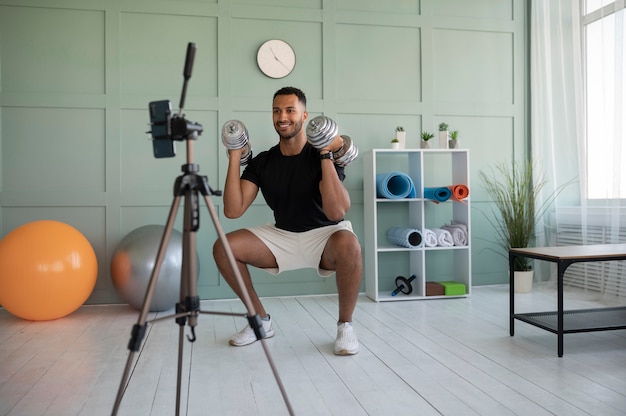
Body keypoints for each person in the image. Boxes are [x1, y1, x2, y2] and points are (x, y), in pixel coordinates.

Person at [212, 86, 363, 355]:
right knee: (224, 247)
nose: (283, 117)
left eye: (290, 110)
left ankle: (345, 326)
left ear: (304, 116)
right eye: (277, 111)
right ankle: (259, 320)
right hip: (282, 236)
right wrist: (235, 152)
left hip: (324, 236)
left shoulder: (322, 155)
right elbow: (233, 211)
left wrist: (326, 153)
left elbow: (337, 212)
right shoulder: (263, 162)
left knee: (349, 243)